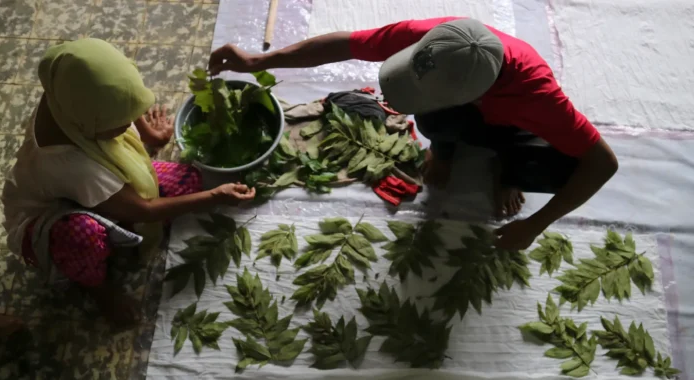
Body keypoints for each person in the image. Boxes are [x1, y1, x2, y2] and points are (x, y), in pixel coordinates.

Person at [208, 17, 618, 250]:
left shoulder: (537, 97)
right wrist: (258, 60)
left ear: (472, 96)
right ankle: (443, 154)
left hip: (515, 127)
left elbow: (604, 163)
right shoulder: (438, 39)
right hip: (469, 114)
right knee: (435, 123)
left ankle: (505, 171)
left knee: (562, 171)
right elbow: (344, 46)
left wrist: (536, 225)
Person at [2, 39, 256, 325]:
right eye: (120, 123)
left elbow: (124, 96)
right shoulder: (72, 165)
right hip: (51, 220)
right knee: (81, 236)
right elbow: (143, 209)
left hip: (85, 190)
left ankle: (112, 222)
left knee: (188, 179)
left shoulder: (67, 94)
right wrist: (215, 196)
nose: (128, 125)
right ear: (91, 124)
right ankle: (98, 290)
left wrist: (152, 136)